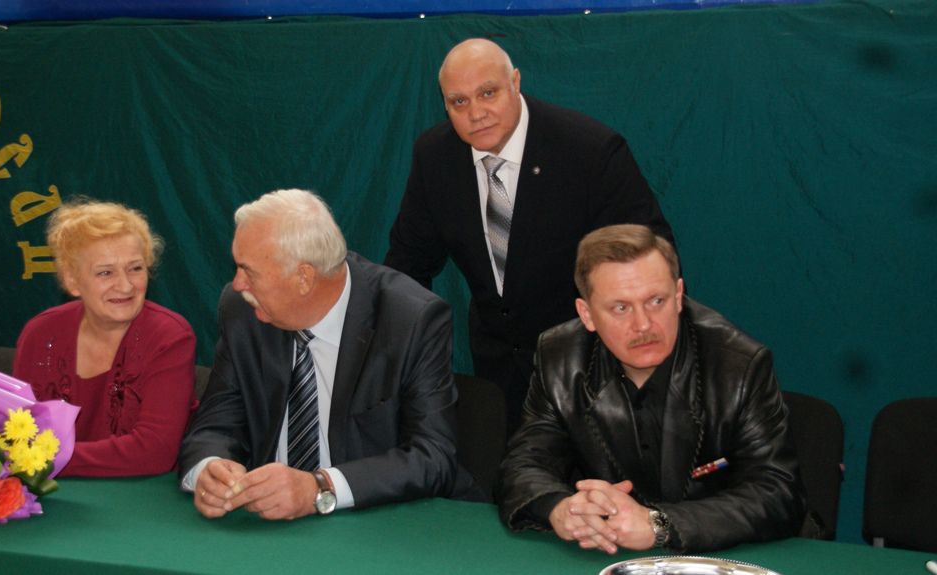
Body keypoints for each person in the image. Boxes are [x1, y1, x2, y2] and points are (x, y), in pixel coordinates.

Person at [385, 38, 675, 433]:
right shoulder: (435, 157)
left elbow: (651, 259)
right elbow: (407, 264)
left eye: (488, 93)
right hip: (499, 381)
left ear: (516, 82)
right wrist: (402, 361)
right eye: (459, 102)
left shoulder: (590, 151)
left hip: (593, 373)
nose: (476, 113)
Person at [497, 224, 805, 553]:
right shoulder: (560, 358)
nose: (643, 325)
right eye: (621, 308)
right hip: (604, 553)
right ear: (587, 315)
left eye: (656, 301)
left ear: (678, 296)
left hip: (726, 555)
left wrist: (659, 524)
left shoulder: (738, 365)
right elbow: (523, 465)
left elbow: (778, 493)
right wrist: (560, 509)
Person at [178, 188, 461, 521]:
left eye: (248, 271)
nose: (238, 284)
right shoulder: (243, 311)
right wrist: (210, 468)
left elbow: (433, 457)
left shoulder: (410, 319)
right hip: (267, 526)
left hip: (378, 525)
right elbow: (214, 426)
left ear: (304, 278)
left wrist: (320, 487)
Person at [14, 199, 197, 477]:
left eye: (135, 268)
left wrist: (43, 457)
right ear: (72, 281)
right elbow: (21, 431)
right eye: (105, 272)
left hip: (144, 493)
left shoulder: (169, 336)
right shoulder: (41, 333)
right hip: (56, 491)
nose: (125, 285)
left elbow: (154, 452)